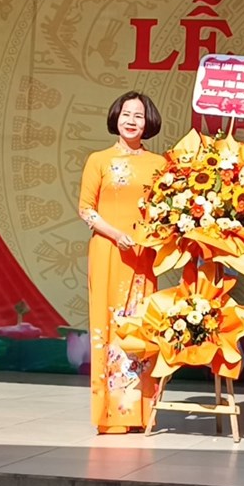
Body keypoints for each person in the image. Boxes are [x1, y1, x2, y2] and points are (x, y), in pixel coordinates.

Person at [78, 91, 165, 434]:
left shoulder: (159, 165)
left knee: (139, 326)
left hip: (143, 255)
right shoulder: (98, 160)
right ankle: (110, 415)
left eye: (139, 115)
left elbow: (165, 210)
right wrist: (116, 235)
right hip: (108, 251)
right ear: (115, 117)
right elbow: (86, 209)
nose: (131, 120)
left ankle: (138, 413)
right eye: (126, 114)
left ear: (148, 122)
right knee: (108, 324)